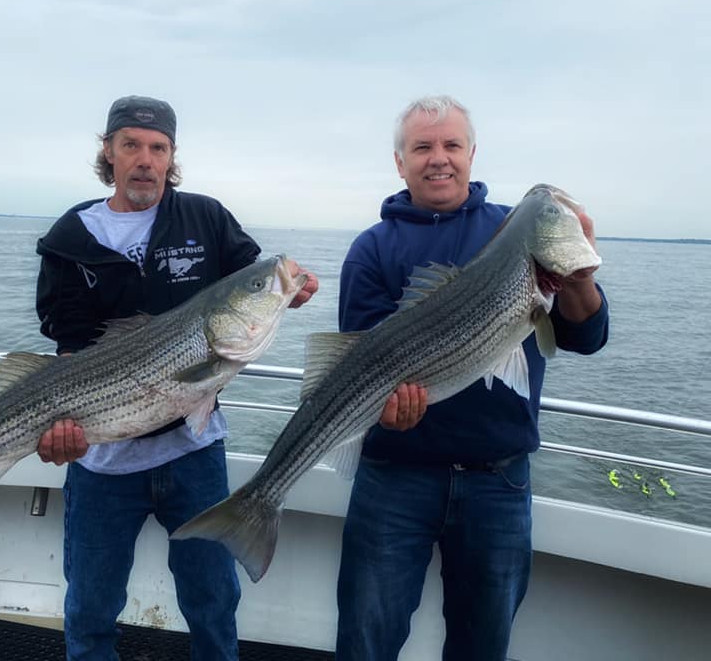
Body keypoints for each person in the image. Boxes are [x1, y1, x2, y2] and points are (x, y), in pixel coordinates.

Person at [34, 95, 318, 661]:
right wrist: (52, 429)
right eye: (132, 145)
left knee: (213, 601)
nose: (145, 159)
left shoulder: (205, 218)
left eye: (158, 147)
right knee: (90, 609)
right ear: (109, 153)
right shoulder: (69, 240)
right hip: (102, 461)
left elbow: (252, 279)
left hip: (194, 452)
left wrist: (293, 289)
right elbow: (68, 348)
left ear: (171, 157)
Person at [334, 95, 609, 660]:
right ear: (400, 161)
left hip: (498, 483)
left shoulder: (515, 232)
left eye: (452, 145)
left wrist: (578, 276)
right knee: (367, 641)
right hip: (394, 479)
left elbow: (585, 337)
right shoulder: (372, 249)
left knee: (483, 646)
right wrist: (384, 410)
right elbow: (360, 363)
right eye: (423, 147)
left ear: (472, 153)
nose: (440, 159)